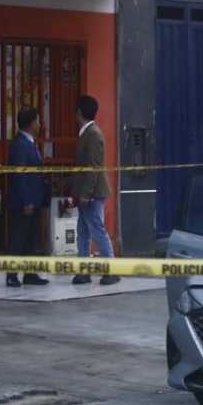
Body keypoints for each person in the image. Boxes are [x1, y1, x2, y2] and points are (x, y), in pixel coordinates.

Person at [71, 95, 119, 286]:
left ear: (80, 112)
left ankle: (111, 270)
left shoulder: (93, 134)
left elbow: (94, 167)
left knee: (97, 230)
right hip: (87, 192)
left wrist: (86, 193)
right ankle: (84, 272)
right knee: (83, 231)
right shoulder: (87, 133)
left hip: (92, 194)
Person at [6, 107, 50, 287]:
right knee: (18, 238)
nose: (40, 124)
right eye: (38, 121)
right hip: (25, 202)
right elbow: (20, 175)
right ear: (31, 123)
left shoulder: (30, 143)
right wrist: (26, 201)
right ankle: (11, 274)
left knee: (31, 238)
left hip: (35, 199)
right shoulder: (21, 145)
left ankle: (30, 273)